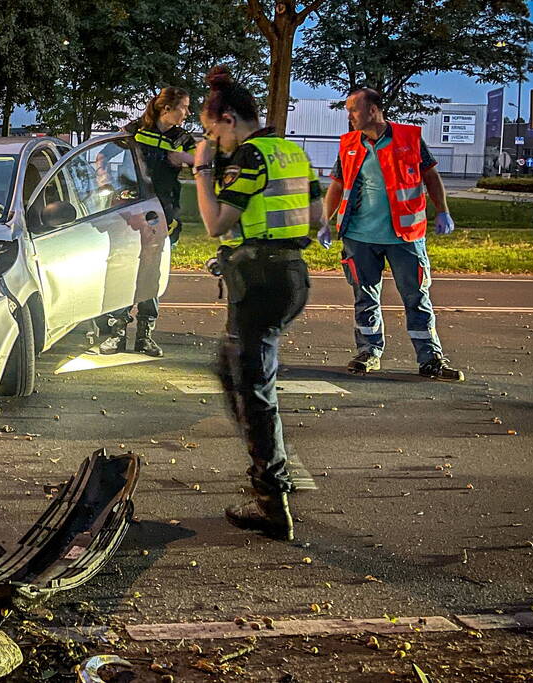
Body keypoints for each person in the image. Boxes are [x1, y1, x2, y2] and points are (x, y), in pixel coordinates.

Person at [193, 65, 323, 541]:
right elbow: (315, 216)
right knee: (233, 371)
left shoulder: (248, 156)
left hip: (261, 280)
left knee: (252, 386)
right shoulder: (290, 151)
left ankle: (273, 498)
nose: (214, 141)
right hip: (291, 276)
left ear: (227, 120)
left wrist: (203, 171)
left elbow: (216, 222)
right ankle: (273, 465)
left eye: (212, 131)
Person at [319, 87, 463, 381]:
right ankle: (368, 352)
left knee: (416, 297)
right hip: (358, 236)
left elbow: (430, 176)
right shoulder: (349, 143)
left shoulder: (409, 139)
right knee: (364, 297)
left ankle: (430, 359)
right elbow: (338, 184)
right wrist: (325, 220)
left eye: (353, 109)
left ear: (372, 110)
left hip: (404, 237)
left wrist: (443, 210)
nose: (349, 116)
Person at [93, 87, 196, 357]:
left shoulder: (182, 138)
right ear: (166, 109)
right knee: (122, 268)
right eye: (184, 107)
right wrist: (105, 181)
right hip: (129, 207)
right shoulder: (135, 130)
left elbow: (202, 161)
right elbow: (103, 153)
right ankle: (116, 332)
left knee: (151, 271)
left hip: (162, 211)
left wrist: (186, 158)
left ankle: (145, 335)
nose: (188, 112)